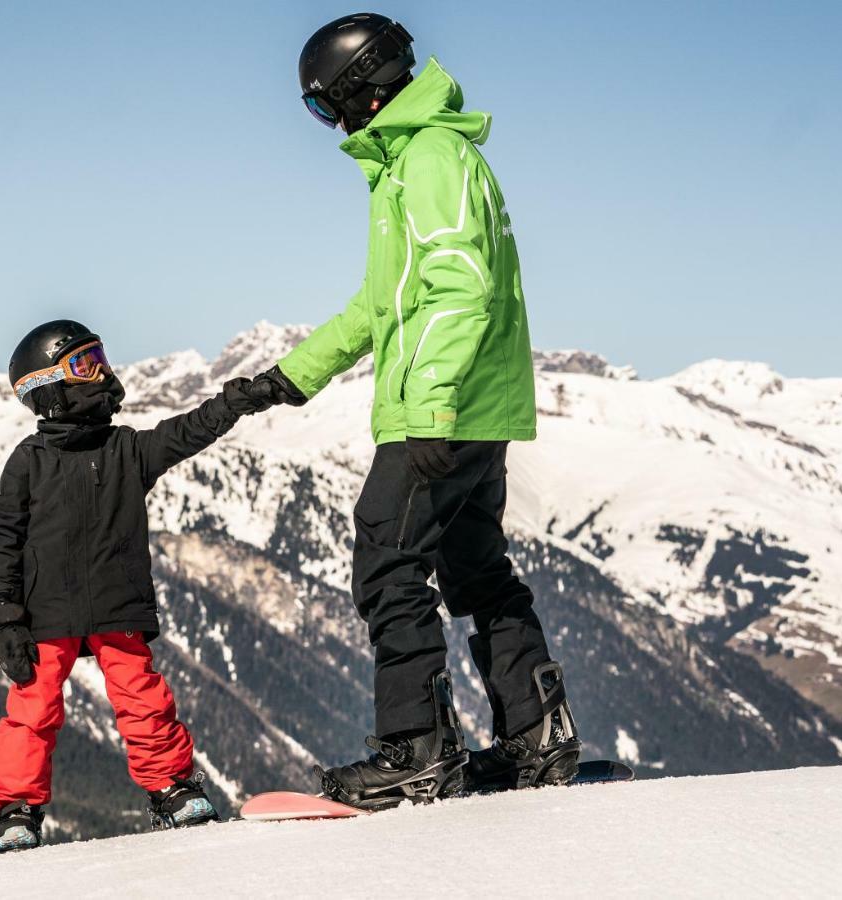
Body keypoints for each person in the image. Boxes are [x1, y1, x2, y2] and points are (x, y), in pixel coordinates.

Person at [253, 13, 581, 811]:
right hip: (473, 405)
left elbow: (458, 288)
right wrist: (290, 376)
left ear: (360, 89)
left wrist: (430, 405)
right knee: (475, 567)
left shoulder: (429, 159)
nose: (329, 125)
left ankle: (417, 752)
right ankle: (539, 737)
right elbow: (381, 304)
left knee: (388, 559)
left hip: (441, 408)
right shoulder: (417, 160)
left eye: (325, 106)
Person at [0, 319, 271, 850]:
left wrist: (236, 402)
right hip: (47, 612)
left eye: (101, 358)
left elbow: (188, 431)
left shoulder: (127, 450)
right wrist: (5, 614)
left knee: (144, 698)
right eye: (83, 365)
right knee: (33, 707)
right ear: (49, 386)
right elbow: (5, 539)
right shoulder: (29, 461)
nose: (102, 373)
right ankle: (15, 806)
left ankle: (170, 786)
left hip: (117, 604)